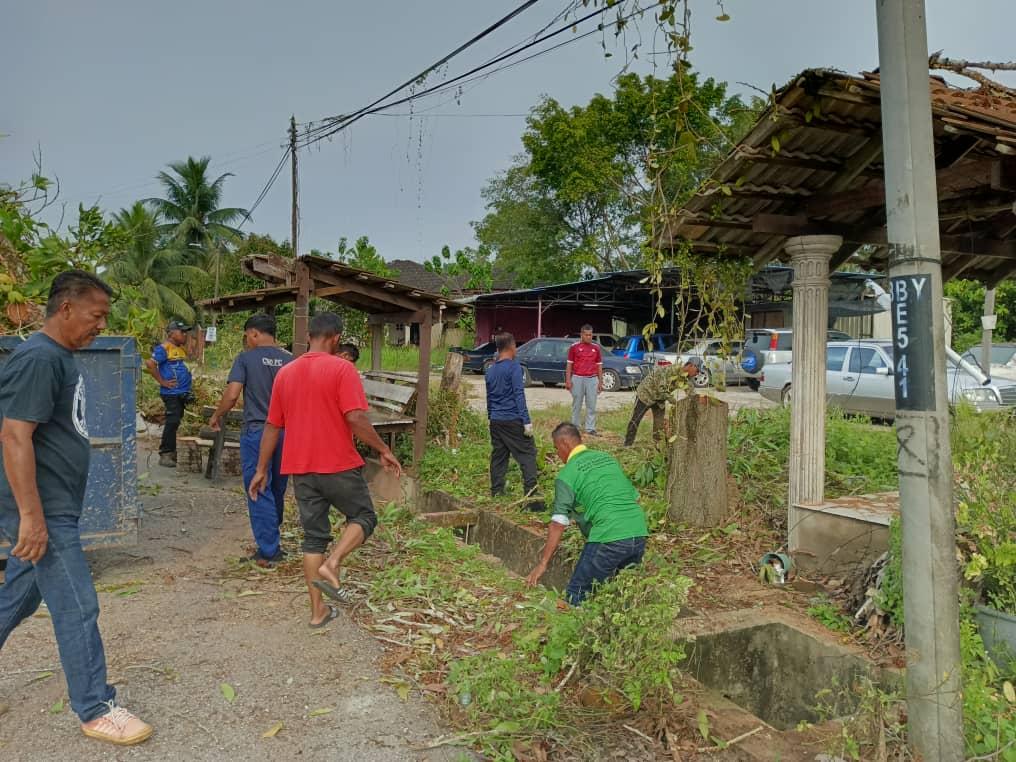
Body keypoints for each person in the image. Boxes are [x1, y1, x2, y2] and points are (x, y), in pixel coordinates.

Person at [0, 270, 153, 745]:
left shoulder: (59, 357)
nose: (100, 325)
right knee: (77, 605)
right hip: (42, 508)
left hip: (54, 502)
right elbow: (13, 435)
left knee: (21, 595)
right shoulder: (38, 359)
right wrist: (31, 516)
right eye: (96, 315)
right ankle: (96, 707)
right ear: (65, 308)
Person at [248, 312, 402, 627]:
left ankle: (318, 613)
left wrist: (261, 469)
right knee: (363, 517)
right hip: (338, 464)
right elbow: (356, 418)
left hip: (301, 469)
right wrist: (383, 449)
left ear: (310, 337)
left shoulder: (286, 374)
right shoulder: (342, 368)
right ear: (334, 339)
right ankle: (333, 563)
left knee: (313, 538)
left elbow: (272, 426)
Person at [526, 423, 648, 605]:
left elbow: (558, 523)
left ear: (564, 444)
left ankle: (575, 631)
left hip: (609, 537)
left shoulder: (567, 474)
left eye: (556, 449)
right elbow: (634, 499)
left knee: (577, 593)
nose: (558, 455)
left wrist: (543, 563)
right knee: (623, 593)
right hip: (638, 533)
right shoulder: (607, 459)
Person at [209, 314, 293, 567]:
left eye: (247, 336)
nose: (247, 341)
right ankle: (272, 540)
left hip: (258, 431)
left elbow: (233, 394)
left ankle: (269, 551)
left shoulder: (245, 359)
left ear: (254, 334)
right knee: (277, 487)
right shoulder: (291, 360)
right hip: (287, 433)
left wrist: (217, 415)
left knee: (258, 487)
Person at [485, 332, 543, 511]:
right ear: (511, 347)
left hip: (496, 420)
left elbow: (489, 397)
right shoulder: (514, 368)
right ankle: (532, 499)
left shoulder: (490, 369)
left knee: (499, 456)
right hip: (513, 419)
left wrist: (491, 416)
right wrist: (526, 421)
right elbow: (519, 394)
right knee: (528, 454)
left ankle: (497, 492)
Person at [623, 356, 703, 447]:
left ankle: (657, 446)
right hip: (646, 394)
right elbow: (661, 389)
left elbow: (691, 393)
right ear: (691, 366)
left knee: (659, 425)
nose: (697, 374)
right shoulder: (672, 370)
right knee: (636, 420)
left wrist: (699, 403)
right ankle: (627, 444)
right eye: (697, 371)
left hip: (660, 399)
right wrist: (675, 402)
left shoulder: (686, 378)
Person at [145, 319, 193, 468]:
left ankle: (172, 453)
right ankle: (165, 454)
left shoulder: (179, 348)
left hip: (181, 392)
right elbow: (150, 364)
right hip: (171, 393)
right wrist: (162, 381)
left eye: (186, 331)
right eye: (182, 332)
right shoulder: (163, 348)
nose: (185, 334)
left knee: (176, 421)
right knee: (172, 422)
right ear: (172, 333)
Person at [565, 324, 603, 436]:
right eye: (586, 335)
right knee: (577, 404)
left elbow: (599, 366)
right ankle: (575, 427)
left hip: (592, 379)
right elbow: (569, 365)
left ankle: (590, 428)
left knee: (591, 404)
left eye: (590, 335)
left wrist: (600, 382)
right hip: (577, 378)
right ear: (581, 335)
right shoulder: (574, 347)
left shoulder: (596, 348)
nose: (589, 337)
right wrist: (568, 380)